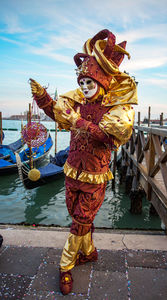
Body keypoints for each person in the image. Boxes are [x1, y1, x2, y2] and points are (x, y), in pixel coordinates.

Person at [29, 29, 137, 295]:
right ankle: (87, 251)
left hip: (95, 175)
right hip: (71, 171)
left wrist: (80, 122)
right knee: (75, 213)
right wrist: (43, 99)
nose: (85, 88)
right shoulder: (76, 104)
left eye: (90, 83)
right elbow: (59, 116)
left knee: (80, 219)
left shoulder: (115, 110)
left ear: (101, 83)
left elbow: (107, 136)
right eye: (82, 83)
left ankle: (65, 266)